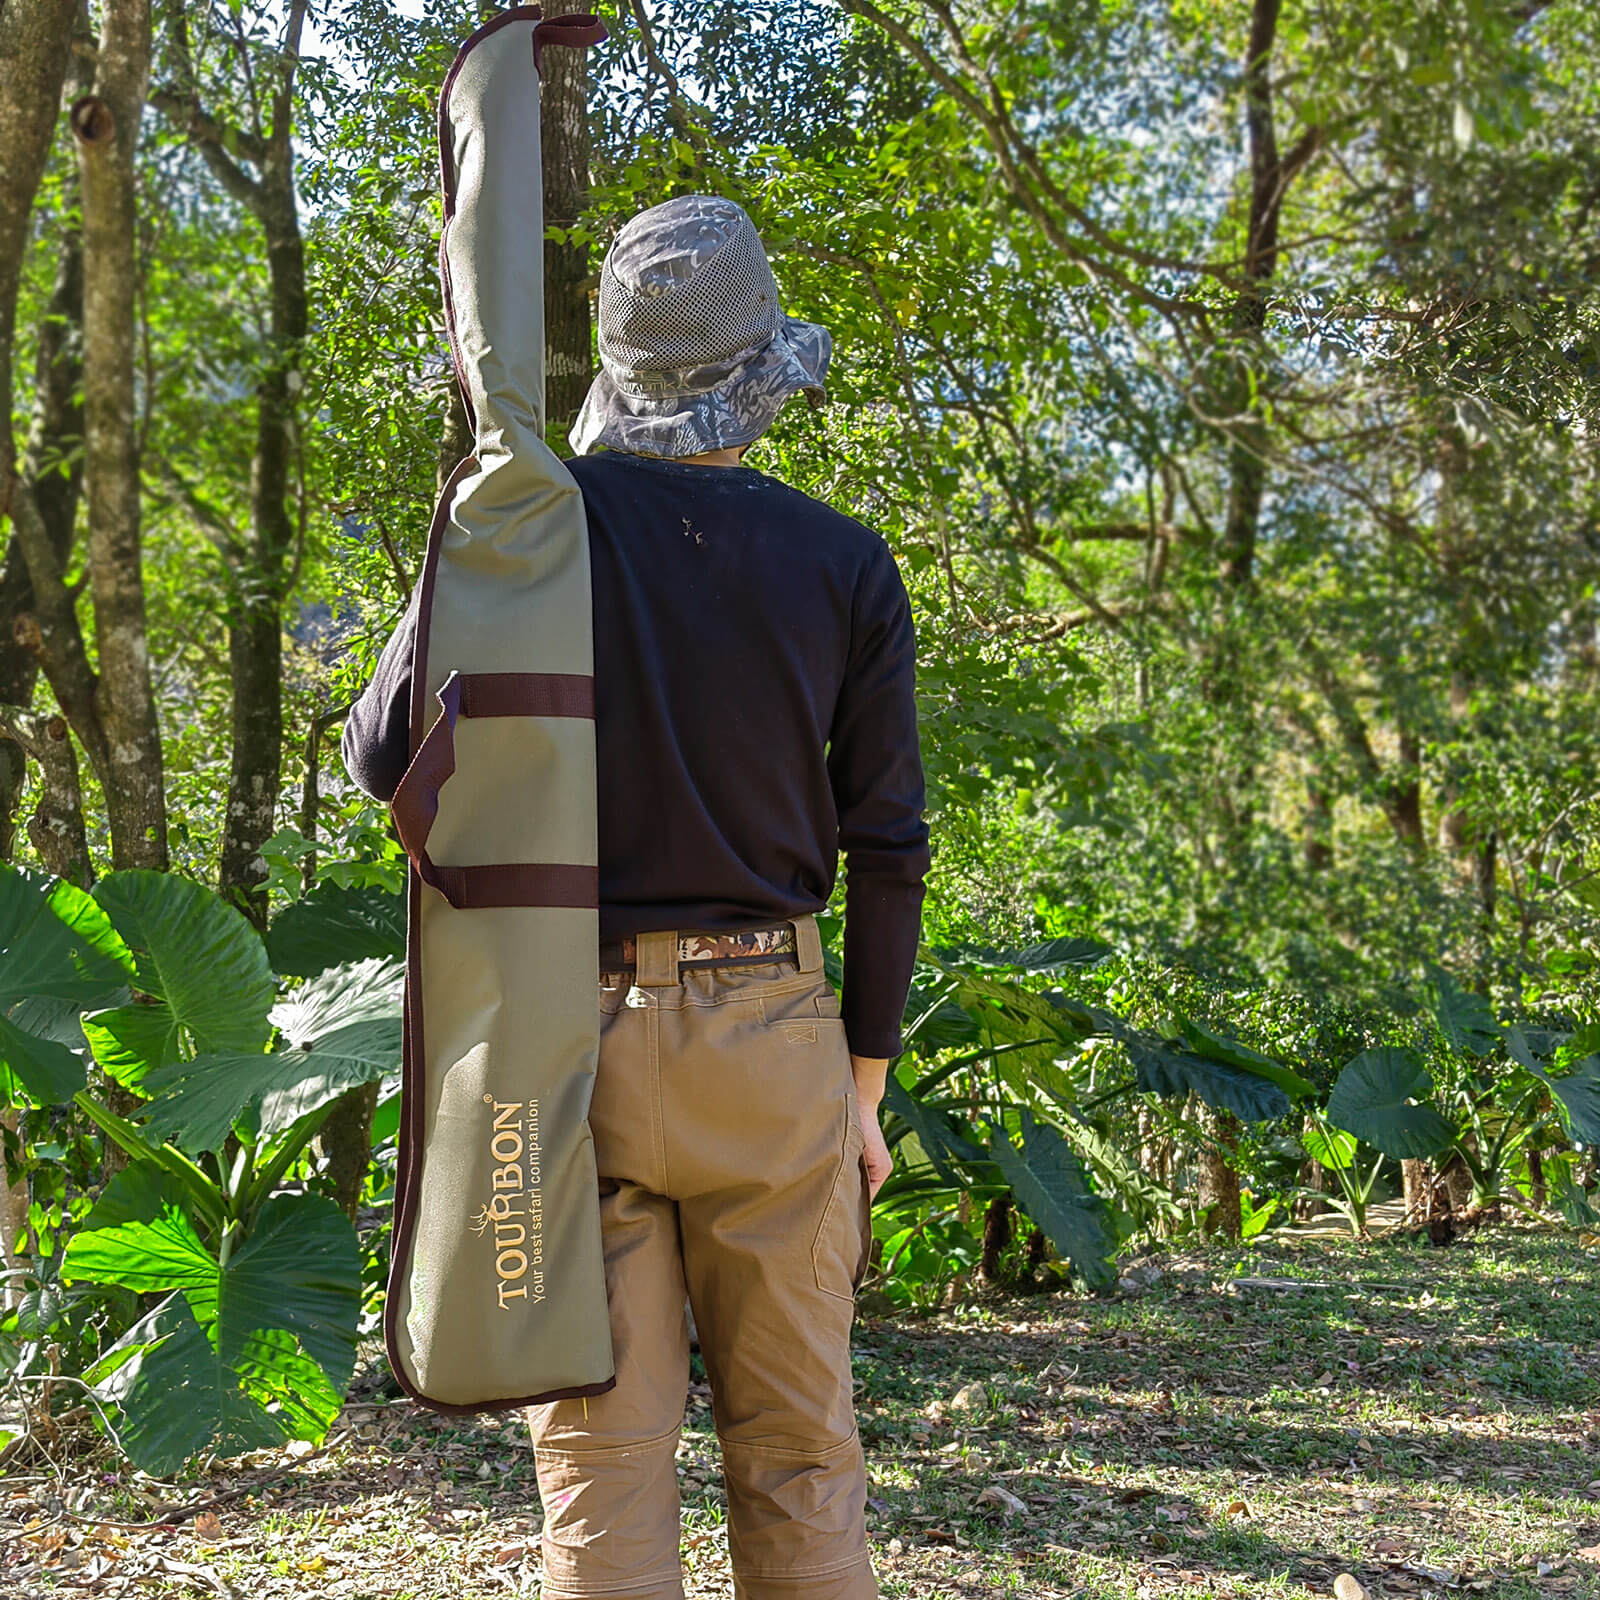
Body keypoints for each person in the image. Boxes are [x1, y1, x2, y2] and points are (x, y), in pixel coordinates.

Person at [342, 192, 929, 1600]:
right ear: (762, 373)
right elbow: (889, 839)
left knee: (599, 1471)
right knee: (800, 1453)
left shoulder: (529, 534)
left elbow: (380, 752)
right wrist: (861, 1087)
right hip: (772, 1044)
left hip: (571, 1048)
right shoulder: (843, 564)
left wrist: (485, 547)